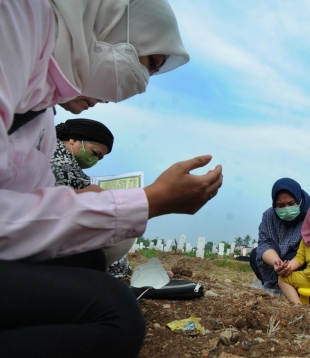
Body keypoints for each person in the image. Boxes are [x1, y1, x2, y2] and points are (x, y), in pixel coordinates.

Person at [0, 1, 222, 357]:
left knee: (87, 261)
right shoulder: (18, 19)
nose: (143, 82)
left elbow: (34, 202)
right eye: (149, 63)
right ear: (110, 23)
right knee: (116, 314)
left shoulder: (40, 113)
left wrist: (120, 205)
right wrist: (150, 202)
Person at [52, 118, 134, 278]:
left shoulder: (61, 160)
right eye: (95, 153)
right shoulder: (60, 165)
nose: (95, 160)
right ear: (73, 140)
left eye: (100, 158)